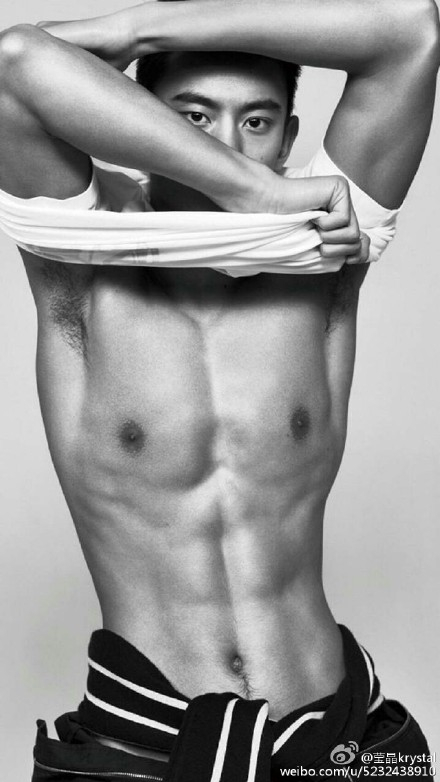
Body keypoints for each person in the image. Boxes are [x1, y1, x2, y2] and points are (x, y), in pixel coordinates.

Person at [0, 0, 438, 778]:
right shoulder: (80, 255)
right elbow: (13, 64)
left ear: (288, 140)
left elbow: (412, 32)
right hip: (141, 747)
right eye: (193, 117)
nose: (227, 142)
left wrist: (137, 35)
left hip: (339, 742)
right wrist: (251, 191)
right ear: (130, 120)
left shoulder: (327, 251)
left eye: (256, 122)